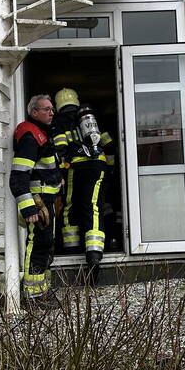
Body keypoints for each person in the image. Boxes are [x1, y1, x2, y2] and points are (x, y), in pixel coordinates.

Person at [51, 88, 116, 283]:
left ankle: (72, 249)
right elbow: (109, 145)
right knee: (93, 207)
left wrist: (59, 172)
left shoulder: (59, 121)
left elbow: (59, 149)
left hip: (75, 168)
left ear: (57, 104)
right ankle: (94, 255)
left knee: (70, 206)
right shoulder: (92, 119)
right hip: (98, 167)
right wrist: (108, 170)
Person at [9, 94, 62, 309]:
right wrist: (29, 206)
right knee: (38, 245)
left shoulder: (40, 134)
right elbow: (18, 176)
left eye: (52, 109)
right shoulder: (31, 137)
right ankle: (32, 297)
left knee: (46, 245)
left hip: (47, 201)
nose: (51, 112)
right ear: (34, 112)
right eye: (47, 109)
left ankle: (42, 292)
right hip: (38, 203)